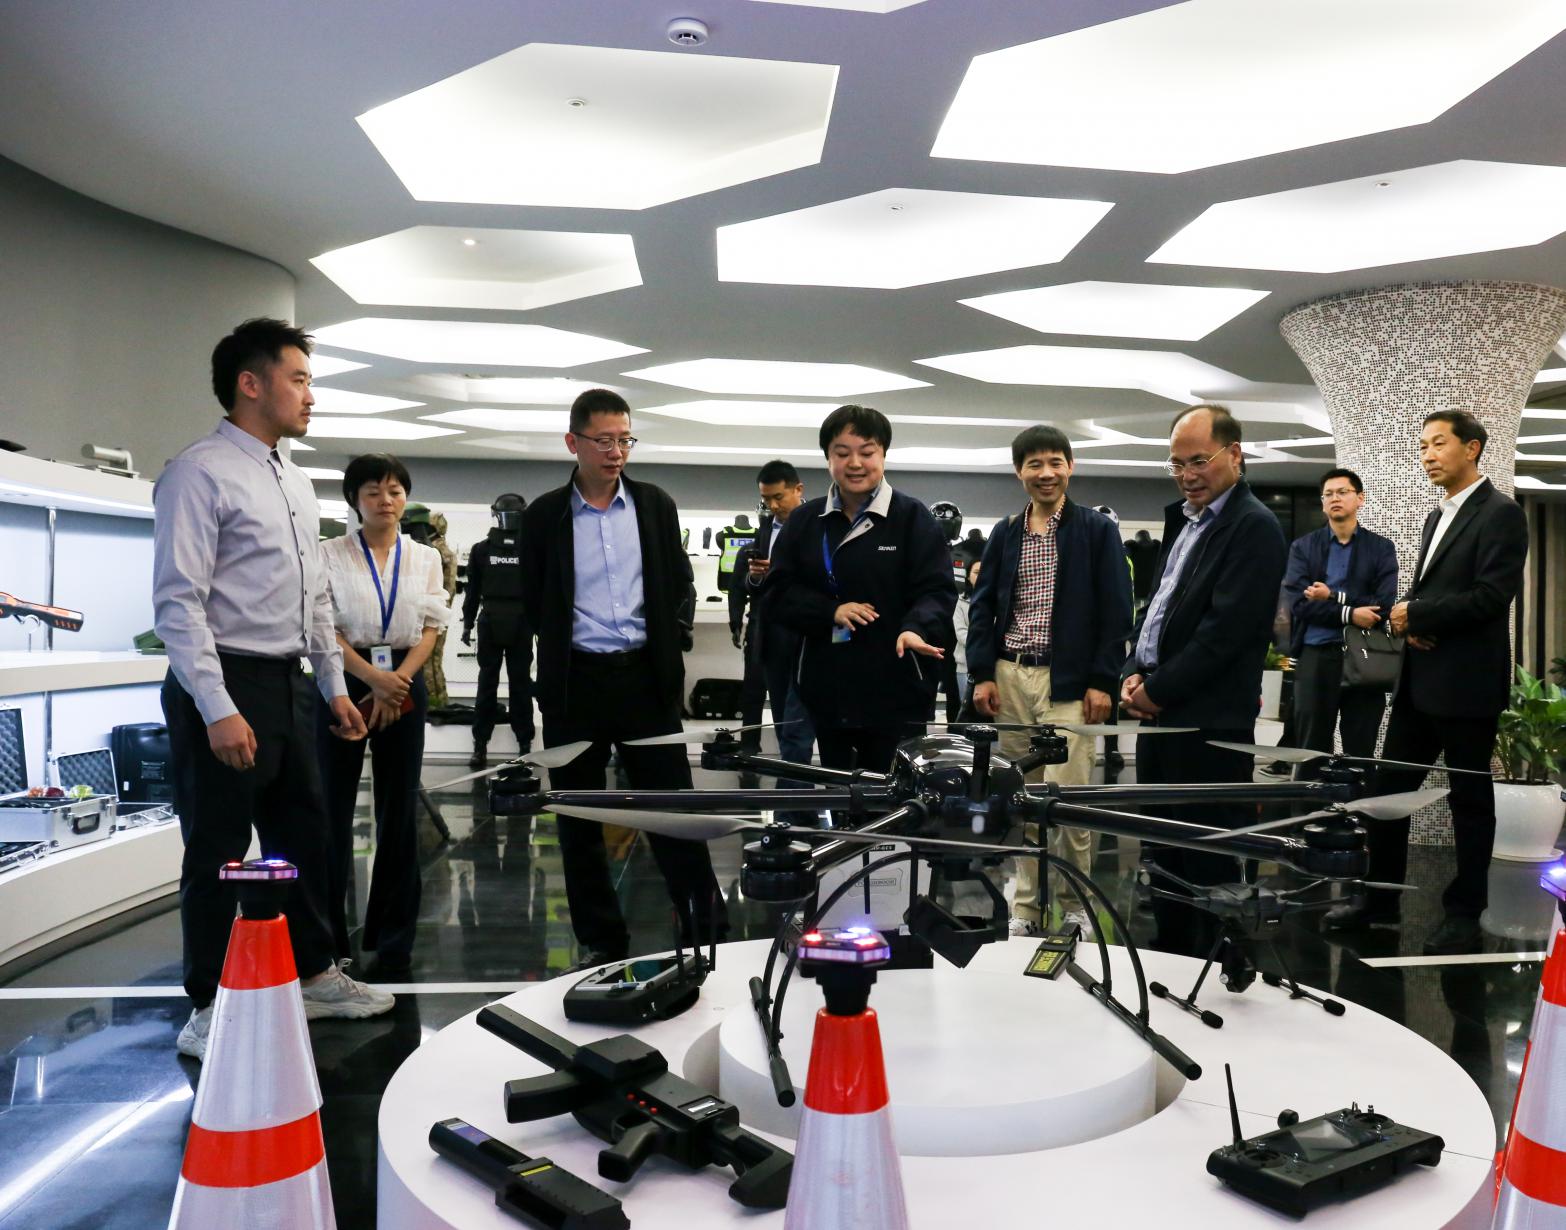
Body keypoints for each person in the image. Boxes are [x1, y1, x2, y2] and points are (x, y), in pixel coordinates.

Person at [153, 317, 391, 1062]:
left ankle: (315, 973)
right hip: (224, 678)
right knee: (219, 848)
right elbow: (179, 603)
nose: (310, 395)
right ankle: (207, 1002)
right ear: (250, 384)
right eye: (299, 379)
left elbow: (313, 596)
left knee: (304, 837)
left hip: (289, 681)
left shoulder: (294, 478)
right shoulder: (198, 473)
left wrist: (333, 687)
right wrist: (217, 707)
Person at [519, 389, 725, 967]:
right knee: (579, 817)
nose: (616, 452)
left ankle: (707, 926)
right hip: (575, 683)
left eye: (625, 440)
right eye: (604, 440)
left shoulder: (654, 504)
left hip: (643, 680)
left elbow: (678, 580)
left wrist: (674, 635)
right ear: (574, 442)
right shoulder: (546, 515)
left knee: (672, 810)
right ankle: (601, 940)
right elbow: (535, 598)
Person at [1330, 411, 1528, 954]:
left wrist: (1415, 614)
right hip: (1419, 682)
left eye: (1439, 443)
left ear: (1473, 448)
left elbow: (1491, 597)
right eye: (1422, 446)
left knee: (1470, 804)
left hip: (1467, 686)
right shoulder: (1435, 514)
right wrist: (1412, 620)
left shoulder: (1501, 514)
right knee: (1388, 793)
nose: (1427, 455)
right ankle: (1379, 900)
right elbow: (1435, 595)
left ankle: (1465, 913)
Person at [1120, 404, 1288, 956]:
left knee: (1207, 858)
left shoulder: (1253, 527)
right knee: (1163, 850)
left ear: (1234, 454)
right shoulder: (1186, 520)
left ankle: (1209, 971)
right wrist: (1133, 670)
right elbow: (1158, 608)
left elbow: (1225, 633)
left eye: (1198, 461)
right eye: (1176, 464)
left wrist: (1157, 690)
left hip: (1209, 724)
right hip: (1164, 716)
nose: (1187, 474)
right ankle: (1170, 960)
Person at [967, 425, 1133, 939]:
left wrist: (1103, 680)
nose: (1046, 473)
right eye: (1035, 464)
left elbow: (1116, 609)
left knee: (1068, 800)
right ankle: (1026, 907)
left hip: (1070, 683)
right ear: (1019, 471)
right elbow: (984, 607)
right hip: (1011, 676)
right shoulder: (1006, 532)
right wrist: (981, 673)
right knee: (1020, 799)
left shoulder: (1095, 530)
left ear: (1070, 466)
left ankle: (1075, 905)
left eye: (1055, 462)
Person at [766, 405, 956, 774]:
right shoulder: (806, 521)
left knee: (895, 792)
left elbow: (937, 590)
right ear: (828, 458)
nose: (855, 463)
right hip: (828, 687)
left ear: (883, 455)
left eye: (867, 452)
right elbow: (778, 593)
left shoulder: (912, 517)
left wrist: (915, 627)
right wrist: (830, 611)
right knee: (842, 791)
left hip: (898, 685)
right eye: (842, 453)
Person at [317, 454, 449, 978]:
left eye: (395, 491)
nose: (385, 501)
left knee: (399, 811)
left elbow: (432, 626)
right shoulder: (328, 554)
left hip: (403, 680)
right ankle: (327, 939)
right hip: (343, 679)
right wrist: (373, 679)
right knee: (332, 809)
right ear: (355, 500)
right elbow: (323, 628)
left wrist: (397, 683)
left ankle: (394, 937)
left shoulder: (426, 557)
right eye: (373, 492)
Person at [1281, 468, 1398, 766]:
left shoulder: (1381, 548)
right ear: (1322, 503)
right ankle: (1310, 798)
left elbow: (1383, 605)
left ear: (1360, 498)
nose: (1335, 498)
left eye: (1342, 492)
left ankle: (1357, 798)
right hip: (1316, 655)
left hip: (1365, 658)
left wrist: (1333, 596)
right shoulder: (1303, 548)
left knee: (1361, 750)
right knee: (1311, 749)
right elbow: (1300, 604)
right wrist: (1350, 613)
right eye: (1328, 494)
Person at [731, 461, 818, 795]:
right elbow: (749, 585)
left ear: (798, 489)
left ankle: (799, 797)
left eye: (778, 497)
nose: (772, 505)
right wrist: (757, 577)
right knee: (784, 721)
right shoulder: (764, 530)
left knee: (802, 726)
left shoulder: (819, 525)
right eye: (766, 499)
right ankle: (795, 795)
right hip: (772, 636)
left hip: (810, 636)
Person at [463, 493, 534, 769]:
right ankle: (484, 743)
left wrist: (468, 623)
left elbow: (539, 590)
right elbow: (472, 591)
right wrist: (468, 622)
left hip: (513, 619)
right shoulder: (482, 550)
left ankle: (521, 743)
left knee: (515, 684)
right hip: (500, 619)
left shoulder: (530, 548)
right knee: (496, 684)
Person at [403, 504, 458, 709]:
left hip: (433, 616)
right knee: (432, 661)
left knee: (429, 662)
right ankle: (436, 703)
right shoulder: (437, 549)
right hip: (434, 614)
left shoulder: (435, 551)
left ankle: (434, 704)